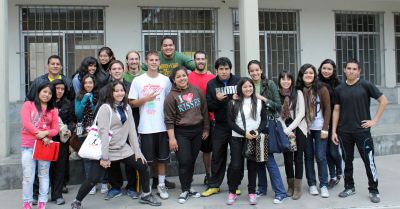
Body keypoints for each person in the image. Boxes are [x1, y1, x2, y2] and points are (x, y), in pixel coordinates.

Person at [70, 81, 161, 209]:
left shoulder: (127, 107)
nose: (120, 93)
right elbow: (104, 133)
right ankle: (77, 201)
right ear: (111, 93)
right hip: (106, 150)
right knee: (94, 179)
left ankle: (146, 195)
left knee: (144, 166)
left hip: (123, 148)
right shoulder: (105, 108)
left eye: (122, 90)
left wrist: (138, 152)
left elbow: (132, 131)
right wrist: (105, 157)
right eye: (116, 91)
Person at [332, 58, 388, 203]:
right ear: (344, 70)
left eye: (354, 69)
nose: (351, 71)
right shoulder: (339, 89)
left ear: (359, 71)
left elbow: (384, 101)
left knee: (368, 161)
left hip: (362, 132)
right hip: (344, 132)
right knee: (347, 161)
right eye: (348, 68)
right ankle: (349, 187)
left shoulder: (366, 85)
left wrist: (374, 120)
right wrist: (333, 131)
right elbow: (336, 109)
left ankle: (374, 190)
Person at [129, 51, 172, 200]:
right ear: (146, 62)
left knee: (162, 159)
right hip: (145, 127)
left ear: (159, 62)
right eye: (151, 60)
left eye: (156, 60)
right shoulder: (138, 80)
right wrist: (145, 99)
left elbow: (170, 101)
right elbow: (132, 102)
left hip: (162, 126)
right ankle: (147, 188)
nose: (154, 62)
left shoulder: (166, 80)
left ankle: (161, 185)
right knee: (147, 160)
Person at [164, 67, 210, 204]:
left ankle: (189, 187)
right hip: (181, 133)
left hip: (197, 131)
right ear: (174, 80)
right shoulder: (171, 97)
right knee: (184, 161)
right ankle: (184, 190)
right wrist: (172, 138)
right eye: (178, 77)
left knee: (191, 161)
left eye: (184, 75)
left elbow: (204, 110)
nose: (182, 78)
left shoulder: (196, 90)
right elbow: (169, 120)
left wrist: (206, 128)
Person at [247, 60, 286, 204]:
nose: (255, 73)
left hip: (267, 124)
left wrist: (263, 99)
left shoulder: (269, 84)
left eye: (257, 70)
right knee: (258, 159)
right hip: (253, 126)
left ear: (261, 70)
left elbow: (278, 106)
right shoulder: (247, 85)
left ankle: (280, 192)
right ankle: (262, 188)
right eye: (251, 71)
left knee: (268, 159)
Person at [201, 57, 240, 197]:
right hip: (220, 125)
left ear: (230, 69)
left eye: (226, 69)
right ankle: (214, 185)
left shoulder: (238, 81)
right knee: (217, 156)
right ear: (216, 70)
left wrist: (237, 99)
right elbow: (209, 106)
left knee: (236, 157)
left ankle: (233, 185)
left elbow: (247, 98)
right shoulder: (211, 84)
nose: (224, 72)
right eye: (221, 69)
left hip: (237, 125)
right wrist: (217, 100)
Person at [226, 78, 268, 205]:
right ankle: (232, 192)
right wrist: (244, 133)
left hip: (254, 138)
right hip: (237, 138)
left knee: (252, 166)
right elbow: (230, 122)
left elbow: (264, 120)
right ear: (240, 88)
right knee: (236, 166)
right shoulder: (233, 102)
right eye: (245, 87)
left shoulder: (260, 102)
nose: (248, 89)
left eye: (250, 86)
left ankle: (252, 192)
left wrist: (256, 133)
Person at [21, 81, 59, 209]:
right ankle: (27, 202)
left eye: (50, 93)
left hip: (45, 147)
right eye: (44, 91)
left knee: (43, 175)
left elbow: (55, 130)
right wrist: (40, 134)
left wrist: (46, 133)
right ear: (38, 92)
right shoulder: (28, 105)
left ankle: (42, 202)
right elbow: (26, 123)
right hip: (28, 146)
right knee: (28, 176)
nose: (47, 95)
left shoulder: (53, 109)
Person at [105, 59, 139, 200]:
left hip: (129, 128)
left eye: (119, 68)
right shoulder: (105, 88)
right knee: (113, 161)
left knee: (131, 159)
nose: (117, 71)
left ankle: (132, 187)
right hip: (112, 131)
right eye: (114, 69)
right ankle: (115, 187)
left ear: (123, 70)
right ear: (110, 71)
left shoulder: (131, 86)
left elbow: (135, 106)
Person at [296, 63, 331, 198]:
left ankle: (323, 185)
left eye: (311, 73)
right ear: (302, 76)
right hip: (305, 129)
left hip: (319, 127)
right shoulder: (298, 90)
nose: (308, 75)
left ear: (314, 75)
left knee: (321, 156)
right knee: (308, 156)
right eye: (306, 73)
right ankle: (311, 183)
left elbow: (328, 108)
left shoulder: (321, 89)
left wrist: (325, 128)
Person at [187, 51, 215, 185]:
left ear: (206, 60)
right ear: (194, 61)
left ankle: (208, 174)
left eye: (203, 59)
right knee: (191, 151)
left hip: (209, 118)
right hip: (192, 119)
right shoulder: (188, 77)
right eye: (198, 59)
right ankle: (188, 175)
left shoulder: (212, 78)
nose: (200, 61)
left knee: (207, 150)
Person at [278, 70, 307, 200]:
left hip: (299, 127)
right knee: (288, 159)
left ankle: (298, 187)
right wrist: (285, 130)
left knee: (298, 158)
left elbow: (301, 113)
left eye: (288, 79)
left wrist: (290, 129)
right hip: (285, 129)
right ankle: (290, 186)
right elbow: (278, 116)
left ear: (292, 80)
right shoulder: (277, 94)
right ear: (279, 80)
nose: (286, 81)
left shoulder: (298, 93)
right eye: (283, 79)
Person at [317, 59, 343, 189]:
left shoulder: (338, 84)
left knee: (333, 151)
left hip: (335, 122)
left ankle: (339, 170)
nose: (326, 71)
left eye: (329, 69)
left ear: (333, 71)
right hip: (321, 122)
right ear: (320, 69)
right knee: (326, 152)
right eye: (324, 68)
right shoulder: (316, 83)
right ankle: (333, 176)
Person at [74, 74, 100, 195]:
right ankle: (90, 184)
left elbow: (98, 112)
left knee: (99, 156)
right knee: (87, 158)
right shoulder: (79, 97)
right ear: (83, 85)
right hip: (84, 130)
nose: (88, 85)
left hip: (97, 129)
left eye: (90, 82)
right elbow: (78, 114)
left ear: (94, 84)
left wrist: (91, 101)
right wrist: (84, 100)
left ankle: (102, 181)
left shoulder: (98, 95)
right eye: (86, 83)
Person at [50, 79, 75, 205]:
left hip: (62, 140)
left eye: (62, 89)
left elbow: (72, 121)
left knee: (60, 167)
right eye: (57, 88)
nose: (59, 91)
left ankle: (57, 194)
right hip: (47, 139)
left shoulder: (67, 103)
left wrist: (70, 130)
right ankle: (39, 193)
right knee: (46, 168)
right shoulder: (46, 102)